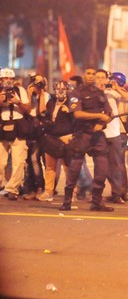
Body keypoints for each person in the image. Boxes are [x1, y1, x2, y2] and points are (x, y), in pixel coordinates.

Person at [60, 67, 113, 212]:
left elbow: (109, 113)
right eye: (88, 73)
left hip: (97, 135)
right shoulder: (76, 93)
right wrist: (99, 116)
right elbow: (77, 114)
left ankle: (96, 202)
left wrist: (102, 123)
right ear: (84, 75)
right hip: (82, 134)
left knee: (102, 170)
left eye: (93, 74)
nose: (91, 76)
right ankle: (67, 201)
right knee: (74, 169)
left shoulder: (100, 93)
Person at [95, 69, 128, 204]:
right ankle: (98, 193)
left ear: (107, 79)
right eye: (98, 77)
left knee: (116, 165)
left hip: (113, 133)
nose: (100, 80)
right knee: (101, 166)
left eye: (103, 77)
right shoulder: (91, 93)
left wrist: (116, 88)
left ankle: (117, 193)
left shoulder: (111, 92)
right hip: (98, 134)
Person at [37, 80, 73, 202]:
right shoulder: (51, 101)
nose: (61, 91)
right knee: (50, 167)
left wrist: (69, 112)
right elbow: (43, 114)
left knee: (68, 166)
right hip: (52, 137)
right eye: (58, 89)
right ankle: (48, 191)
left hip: (66, 136)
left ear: (68, 89)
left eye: (63, 88)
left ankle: (71, 192)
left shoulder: (72, 102)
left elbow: (77, 118)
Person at [0, 68, 31, 200]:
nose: (8, 82)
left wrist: (17, 101)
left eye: (11, 79)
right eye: (5, 79)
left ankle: (12, 189)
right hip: (2, 127)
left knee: (19, 161)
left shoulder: (20, 90)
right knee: (1, 162)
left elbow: (28, 108)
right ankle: (2, 185)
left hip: (18, 128)